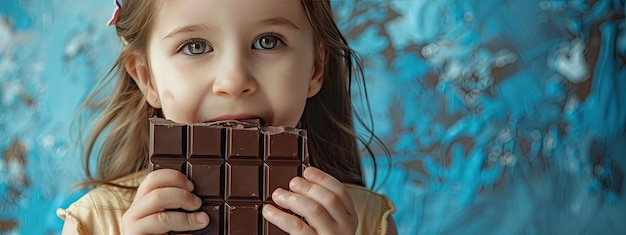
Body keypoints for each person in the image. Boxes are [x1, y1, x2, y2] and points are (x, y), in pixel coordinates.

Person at [57, 0, 397, 234]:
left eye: (268, 41)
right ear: (147, 78)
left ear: (315, 68)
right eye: (195, 46)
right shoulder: (95, 222)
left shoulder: (364, 222)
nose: (234, 81)